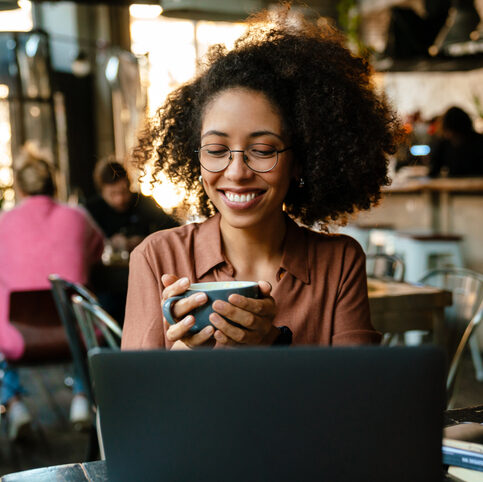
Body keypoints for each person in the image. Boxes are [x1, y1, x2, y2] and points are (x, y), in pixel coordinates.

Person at [121, 6, 403, 352]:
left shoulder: (340, 263)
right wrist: (183, 355)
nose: (237, 172)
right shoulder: (156, 257)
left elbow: (359, 396)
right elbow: (136, 400)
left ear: (299, 162)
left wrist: (273, 345)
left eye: (264, 150)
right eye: (216, 149)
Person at [0, 150, 104, 440]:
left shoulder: (3, 222)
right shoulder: (78, 216)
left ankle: (14, 403)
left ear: (19, 188)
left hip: (17, 339)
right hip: (77, 335)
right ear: (54, 184)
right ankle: (83, 398)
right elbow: (96, 251)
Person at [85, 158, 179, 253]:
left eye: (123, 192)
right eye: (112, 194)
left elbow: (173, 229)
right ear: (102, 193)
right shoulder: (91, 211)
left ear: (129, 185)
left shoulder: (143, 202)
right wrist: (108, 243)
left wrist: (146, 240)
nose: (120, 199)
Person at [429, 106, 483, 178]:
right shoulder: (444, 144)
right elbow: (434, 170)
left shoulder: (479, 142)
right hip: (457, 187)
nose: (449, 135)